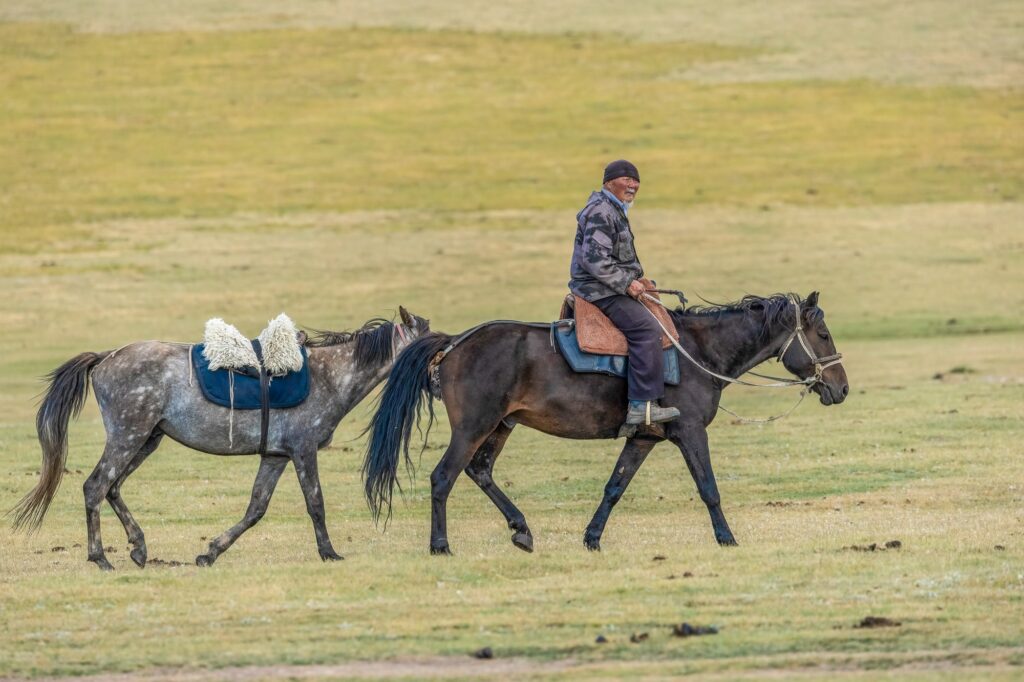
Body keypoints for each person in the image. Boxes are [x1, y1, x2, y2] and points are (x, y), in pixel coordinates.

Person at [569, 160, 680, 425]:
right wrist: (627, 283)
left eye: (635, 180)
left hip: (608, 285)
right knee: (646, 330)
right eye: (625, 179)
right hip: (600, 289)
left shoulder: (614, 209)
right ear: (609, 182)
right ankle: (641, 405)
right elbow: (594, 260)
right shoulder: (601, 211)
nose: (632, 185)